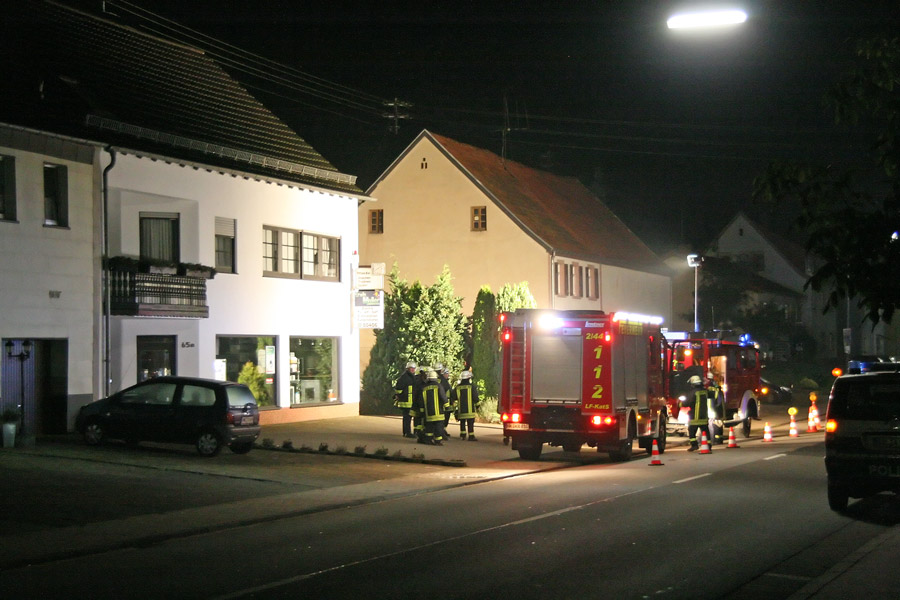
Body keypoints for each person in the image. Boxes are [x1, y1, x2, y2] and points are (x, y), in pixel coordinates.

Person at [682, 375, 712, 452]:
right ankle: (708, 445)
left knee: (691, 431)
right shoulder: (705, 391)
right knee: (705, 431)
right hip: (704, 416)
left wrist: (680, 403)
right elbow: (712, 395)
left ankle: (694, 445)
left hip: (695, 416)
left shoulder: (693, 392)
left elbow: (687, 403)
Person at [419, 369, 450, 445]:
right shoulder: (439, 386)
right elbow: (443, 396)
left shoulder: (424, 388)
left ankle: (428, 440)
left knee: (429, 426)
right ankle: (438, 441)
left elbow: (421, 400)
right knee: (438, 427)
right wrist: (447, 406)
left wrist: (422, 411)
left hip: (428, 413)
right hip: (438, 412)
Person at [393, 361, 419, 439]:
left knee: (408, 418)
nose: (413, 370)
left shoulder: (412, 377)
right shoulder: (404, 378)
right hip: (406, 402)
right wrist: (401, 395)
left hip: (410, 401)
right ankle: (407, 432)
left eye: (414, 368)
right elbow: (398, 389)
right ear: (407, 368)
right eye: (411, 368)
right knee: (407, 418)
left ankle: (407, 432)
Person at [453, 369, 479, 440]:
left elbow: (454, 397)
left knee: (462, 422)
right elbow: (475, 397)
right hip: (470, 410)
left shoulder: (457, 387)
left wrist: (454, 408)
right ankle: (471, 436)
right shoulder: (472, 387)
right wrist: (477, 406)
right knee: (470, 423)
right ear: (469, 378)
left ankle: (463, 435)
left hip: (461, 410)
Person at [439, 367, 454, 431]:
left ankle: (444, 430)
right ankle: (442, 431)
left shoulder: (445, 382)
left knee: (446, 418)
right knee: (444, 418)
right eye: (447, 373)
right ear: (444, 374)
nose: (448, 375)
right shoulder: (443, 382)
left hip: (447, 403)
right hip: (444, 404)